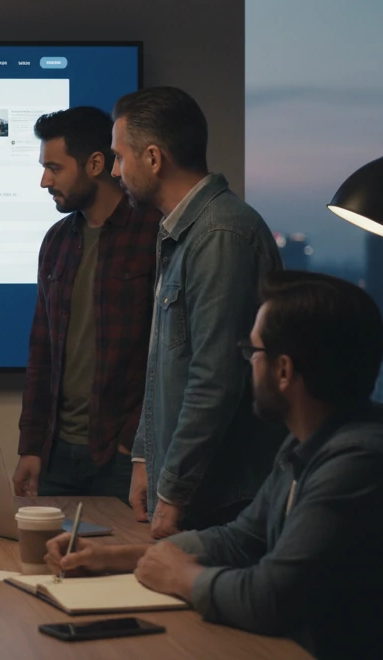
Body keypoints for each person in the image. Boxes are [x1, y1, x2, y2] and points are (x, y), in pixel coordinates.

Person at [44, 271, 383, 659]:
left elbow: (270, 598)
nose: (248, 362)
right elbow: (241, 541)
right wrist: (115, 557)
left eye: (253, 350)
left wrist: (181, 578)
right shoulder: (311, 439)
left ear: (283, 370)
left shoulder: (360, 461)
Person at [110, 87, 286, 537]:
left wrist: (173, 491)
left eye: (119, 157)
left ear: (153, 158)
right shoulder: (182, 233)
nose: (115, 172)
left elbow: (215, 377)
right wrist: (146, 457)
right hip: (199, 490)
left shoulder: (220, 235)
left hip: (221, 498)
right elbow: (165, 363)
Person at [12, 106, 162, 499]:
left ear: (95, 163)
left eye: (55, 168)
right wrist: (30, 446)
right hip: (56, 454)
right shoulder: (57, 241)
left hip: (120, 456)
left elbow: (164, 354)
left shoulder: (154, 234)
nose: (45, 181)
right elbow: (41, 350)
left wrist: (132, 442)